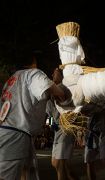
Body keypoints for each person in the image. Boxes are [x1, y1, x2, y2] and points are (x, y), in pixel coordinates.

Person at [0, 49, 66, 180]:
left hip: (13, 133)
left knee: (28, 171)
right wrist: (57, 83)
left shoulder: (11, 80)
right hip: (15, 135)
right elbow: (58, 93)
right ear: (33, 62)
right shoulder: (33, 74)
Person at [46, 67, 78, 180]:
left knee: (58, 163)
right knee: (58, 164)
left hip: (65, 129)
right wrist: (50, 124)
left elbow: (60, 96)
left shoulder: (63, 88)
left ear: (61, 76)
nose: (52, 75)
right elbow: (49, 116)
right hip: (57, 131)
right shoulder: (50, 96)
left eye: (55, 73)